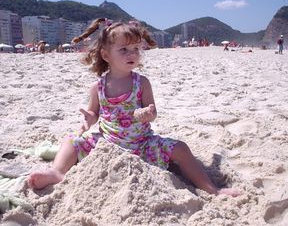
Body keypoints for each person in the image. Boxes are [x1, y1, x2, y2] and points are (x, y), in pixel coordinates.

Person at [28, 18, 241, 197]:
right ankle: (56, 172)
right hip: (107, 144)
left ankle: (212, 189)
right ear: (105, 55)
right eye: (124, 50)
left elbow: (152, 111)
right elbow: (94, 112)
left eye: (136, 49)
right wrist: (89, 118)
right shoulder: (99, 87)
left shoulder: (141, 83)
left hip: (142, 144)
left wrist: (148, 114)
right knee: (70, 141)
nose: (132, 54)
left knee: (181, 148)